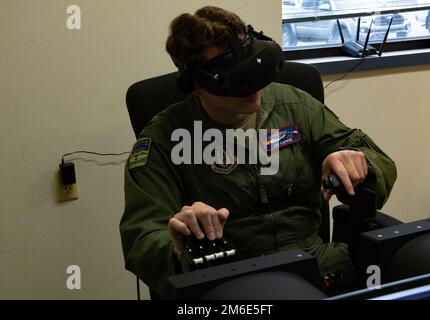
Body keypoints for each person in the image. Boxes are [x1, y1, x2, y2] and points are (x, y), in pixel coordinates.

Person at [120, 6, 397, 296]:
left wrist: (358, 163)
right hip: (229, 280)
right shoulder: (165, 139)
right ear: (195, 85)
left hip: (318, 266)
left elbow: (381, 162)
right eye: (235, 78)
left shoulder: (294, 106)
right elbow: (142, 237)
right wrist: (178, 244)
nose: (252, 86)